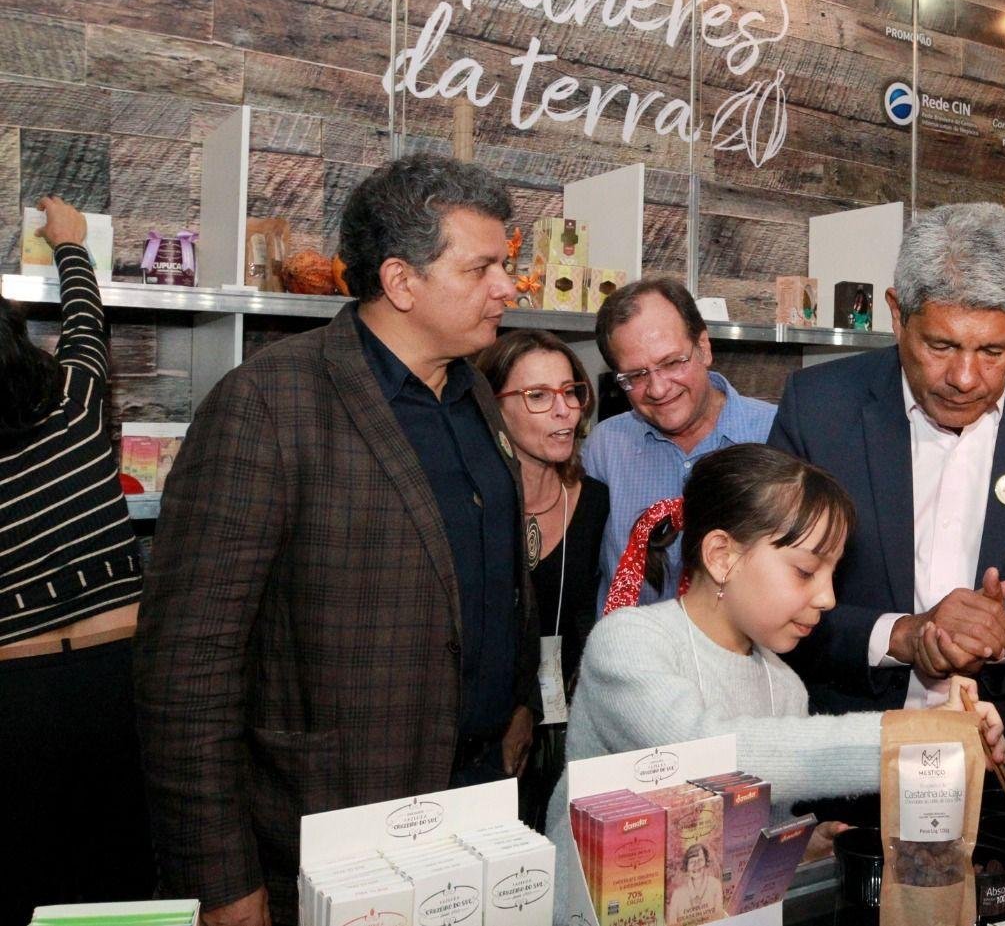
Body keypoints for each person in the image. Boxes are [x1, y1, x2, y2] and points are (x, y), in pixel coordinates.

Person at [134, 155, 542, 926]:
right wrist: (220, 877)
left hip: (475, 811)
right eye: (483, 266)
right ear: (401, 280)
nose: (508, 287)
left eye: (507, 265)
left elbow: (489, 569)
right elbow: (187, 668)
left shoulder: (474, 391)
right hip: (330, 831)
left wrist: (516, 701)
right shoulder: (269, 403)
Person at [547, 444, 1005, 919]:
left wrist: (796, 851)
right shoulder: (628, 643)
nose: (828, 597)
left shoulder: (783, 683)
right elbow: (707, 755)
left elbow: (745, 831)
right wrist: (919, 737)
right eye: (806, 571)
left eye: (833, 574)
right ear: (722, 555)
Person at [769, 202, 1005, 725]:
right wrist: (899, 636)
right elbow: (765, 602)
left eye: (994, 351)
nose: (966, 378)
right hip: (848, 755)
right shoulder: (818, 410)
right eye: (941, 345)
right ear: (898, 313)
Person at [2, 197, 153, 921]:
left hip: (18, 695)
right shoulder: (75, 395)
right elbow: (86, 320)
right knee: (128, 874)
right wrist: (70, 241)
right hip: (120, 674)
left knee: (35, 880)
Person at [476, 329, 610, 830]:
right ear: (493, 407)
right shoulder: (471, 504)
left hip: (568, 733)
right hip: (476, 738)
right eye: (537, 396)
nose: (565, 410)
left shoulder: (596, 502)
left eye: (570, 390)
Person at [586, 278, 776, 610]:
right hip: (627, 656)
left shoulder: (777, 434)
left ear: (704, 347)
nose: (658, 389)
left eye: (672, 363)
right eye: (636, 375)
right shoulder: (605, 447)